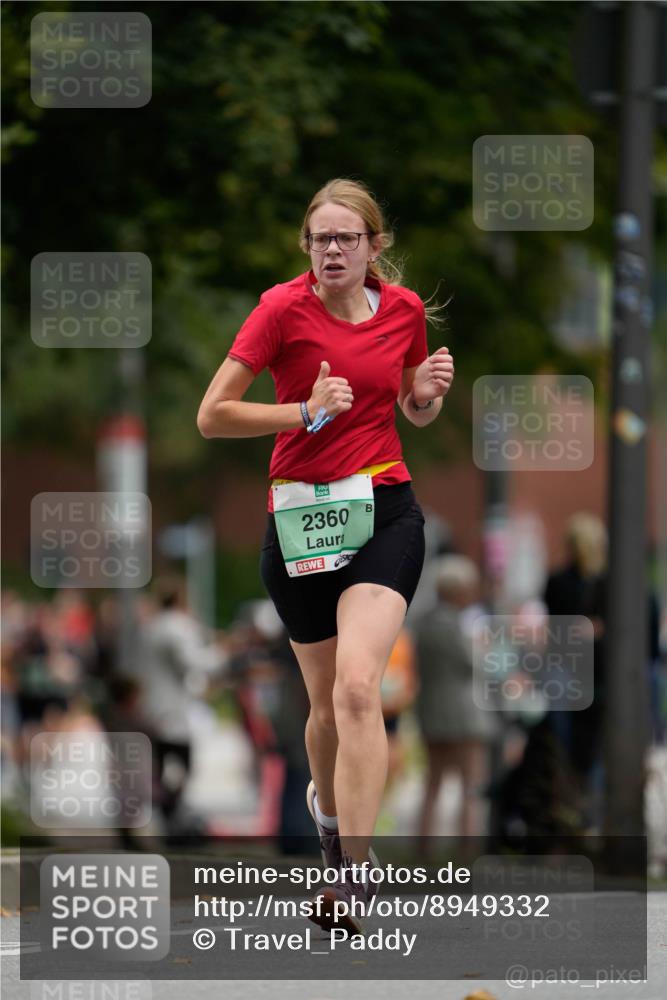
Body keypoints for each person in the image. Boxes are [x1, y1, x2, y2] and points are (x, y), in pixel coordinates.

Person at [197, 177, 454, 932]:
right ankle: (334, 828)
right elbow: (213, 415)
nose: (331, 250)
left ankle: (353, 876)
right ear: (305, 247)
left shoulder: (402, 310)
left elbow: (408, 401)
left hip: (382, 510)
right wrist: (304, 411)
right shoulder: (281, 309)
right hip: (301, 516)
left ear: (375, 246)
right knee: (321, 710)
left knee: (354, 689)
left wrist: (428, 391)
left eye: (346, 238)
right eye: (319, 239)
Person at [413, 555, 497, 849]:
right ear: (457, 589)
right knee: (471, 786)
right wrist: (484, 648)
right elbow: (475, 664)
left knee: (432, 784)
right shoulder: (457, 626)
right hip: (465, 715)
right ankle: (468, 847)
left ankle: (423, 845)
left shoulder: (423, 625)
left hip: (431, 711)